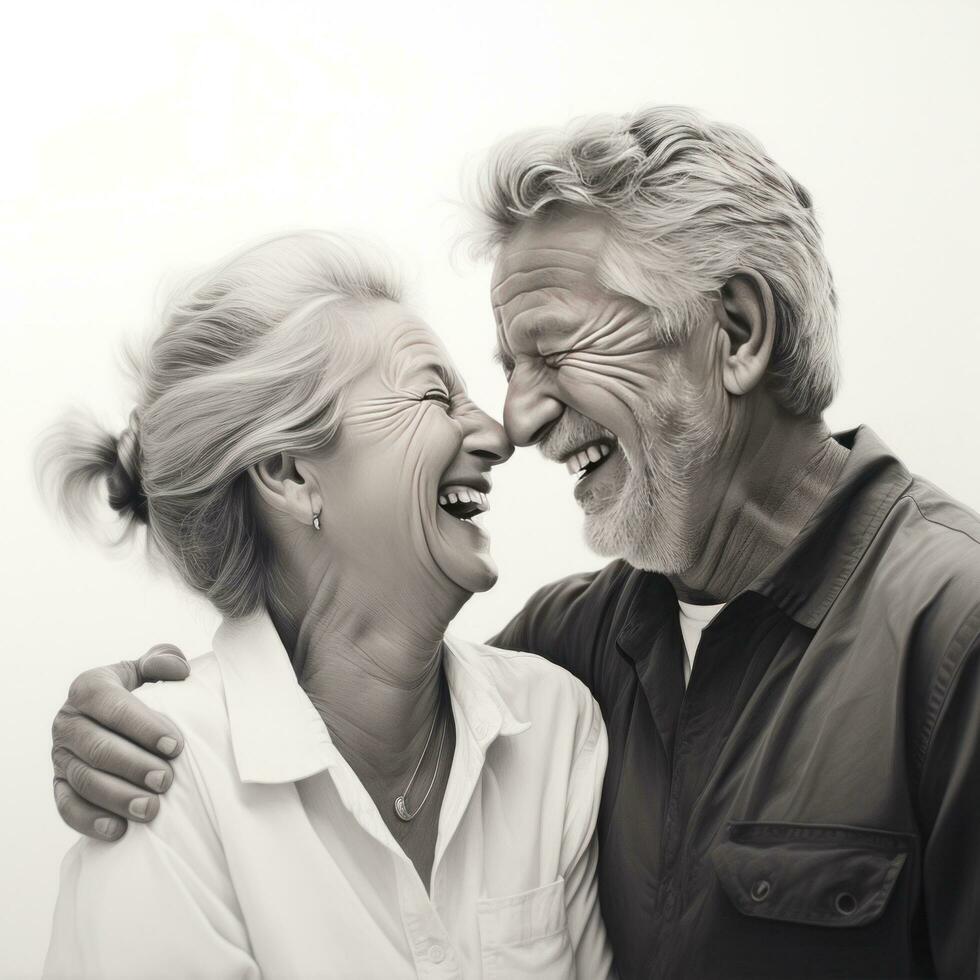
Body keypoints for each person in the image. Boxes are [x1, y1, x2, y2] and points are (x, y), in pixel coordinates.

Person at [50, 108, 980, 979]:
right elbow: (348, 698)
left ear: (734, 332)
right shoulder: (571, 659)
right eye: (498, 372)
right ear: (291, 476)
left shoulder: (953, 632)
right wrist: (107, 734)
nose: (517, 422)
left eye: (554, 352)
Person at [40, 232, 612, 979]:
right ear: (288, 473)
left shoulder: (553, 726)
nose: (499, 435)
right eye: (437, 395)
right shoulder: (163, 784)